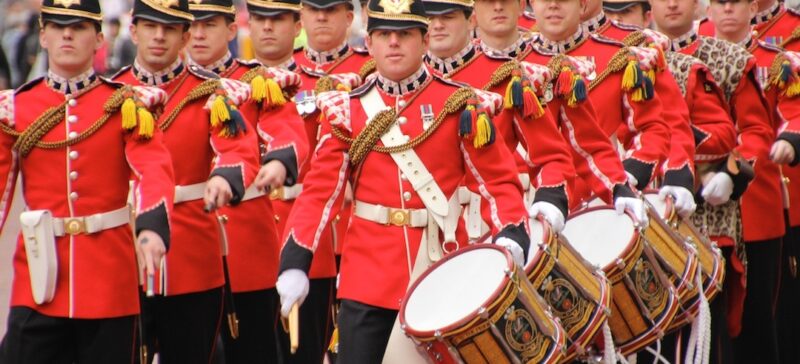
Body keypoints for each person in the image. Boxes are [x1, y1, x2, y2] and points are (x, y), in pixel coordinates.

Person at [275, 0, 537, 361]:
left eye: (404, 34)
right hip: (366, 280)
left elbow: (496, 180)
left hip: (439, 269)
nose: (393, 43)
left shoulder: (458, 105)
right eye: (384, 34)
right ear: (369, 43)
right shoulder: (346, 110)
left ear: (424, 40)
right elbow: (321, 192)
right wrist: (295, 259)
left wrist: (511, 230)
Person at [0, 0, 175, 362]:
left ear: (98, 40)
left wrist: (152, 227)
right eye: (58, 26)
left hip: (108, 281)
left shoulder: (126, 104)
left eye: (79, 27)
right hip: (38, 279)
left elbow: (153, 167)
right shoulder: (15, 109)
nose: (67, 34)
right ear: (43, 36)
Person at [113, 0, 261, 362]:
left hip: (193, 254)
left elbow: (238, 148)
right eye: (150, 26)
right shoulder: (111, 95)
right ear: (134, 31)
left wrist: (225, 178)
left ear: (184, 36)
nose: (159, 36)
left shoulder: (212, 92)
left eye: (170, 28)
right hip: (124, 255)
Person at [186, 0, 310, 362]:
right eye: (191, 25)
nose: (198, 33)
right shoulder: (156, 93)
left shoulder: (256, 81)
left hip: (247, 248)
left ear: (230, 30)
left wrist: (279, 161)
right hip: (185, 249)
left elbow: (287, 128)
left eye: (209, 24)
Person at [652, 0, 775, 362]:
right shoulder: (632, 60)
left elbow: (756, 132)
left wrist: (731, 175)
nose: (672, 4)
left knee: (709, 337)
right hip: (649, 214)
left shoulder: (730, 58)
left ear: (699, 5)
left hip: (711, 212)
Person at [246, 0, 352, 361]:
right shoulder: (231, 87)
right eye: (259, 19)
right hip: (248, 239)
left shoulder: (318, 86)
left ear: (295, 25)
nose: (268, 28)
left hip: (306, 235)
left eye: (277, 19)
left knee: (305, 352)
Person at [527, 0, 670, 200]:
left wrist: (629, 174)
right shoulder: (513, 67)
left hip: (605, 201)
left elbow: (651, 128)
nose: (553, 5)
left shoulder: (621, 58)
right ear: (531, 3)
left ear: (582, 4)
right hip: (532, 203)